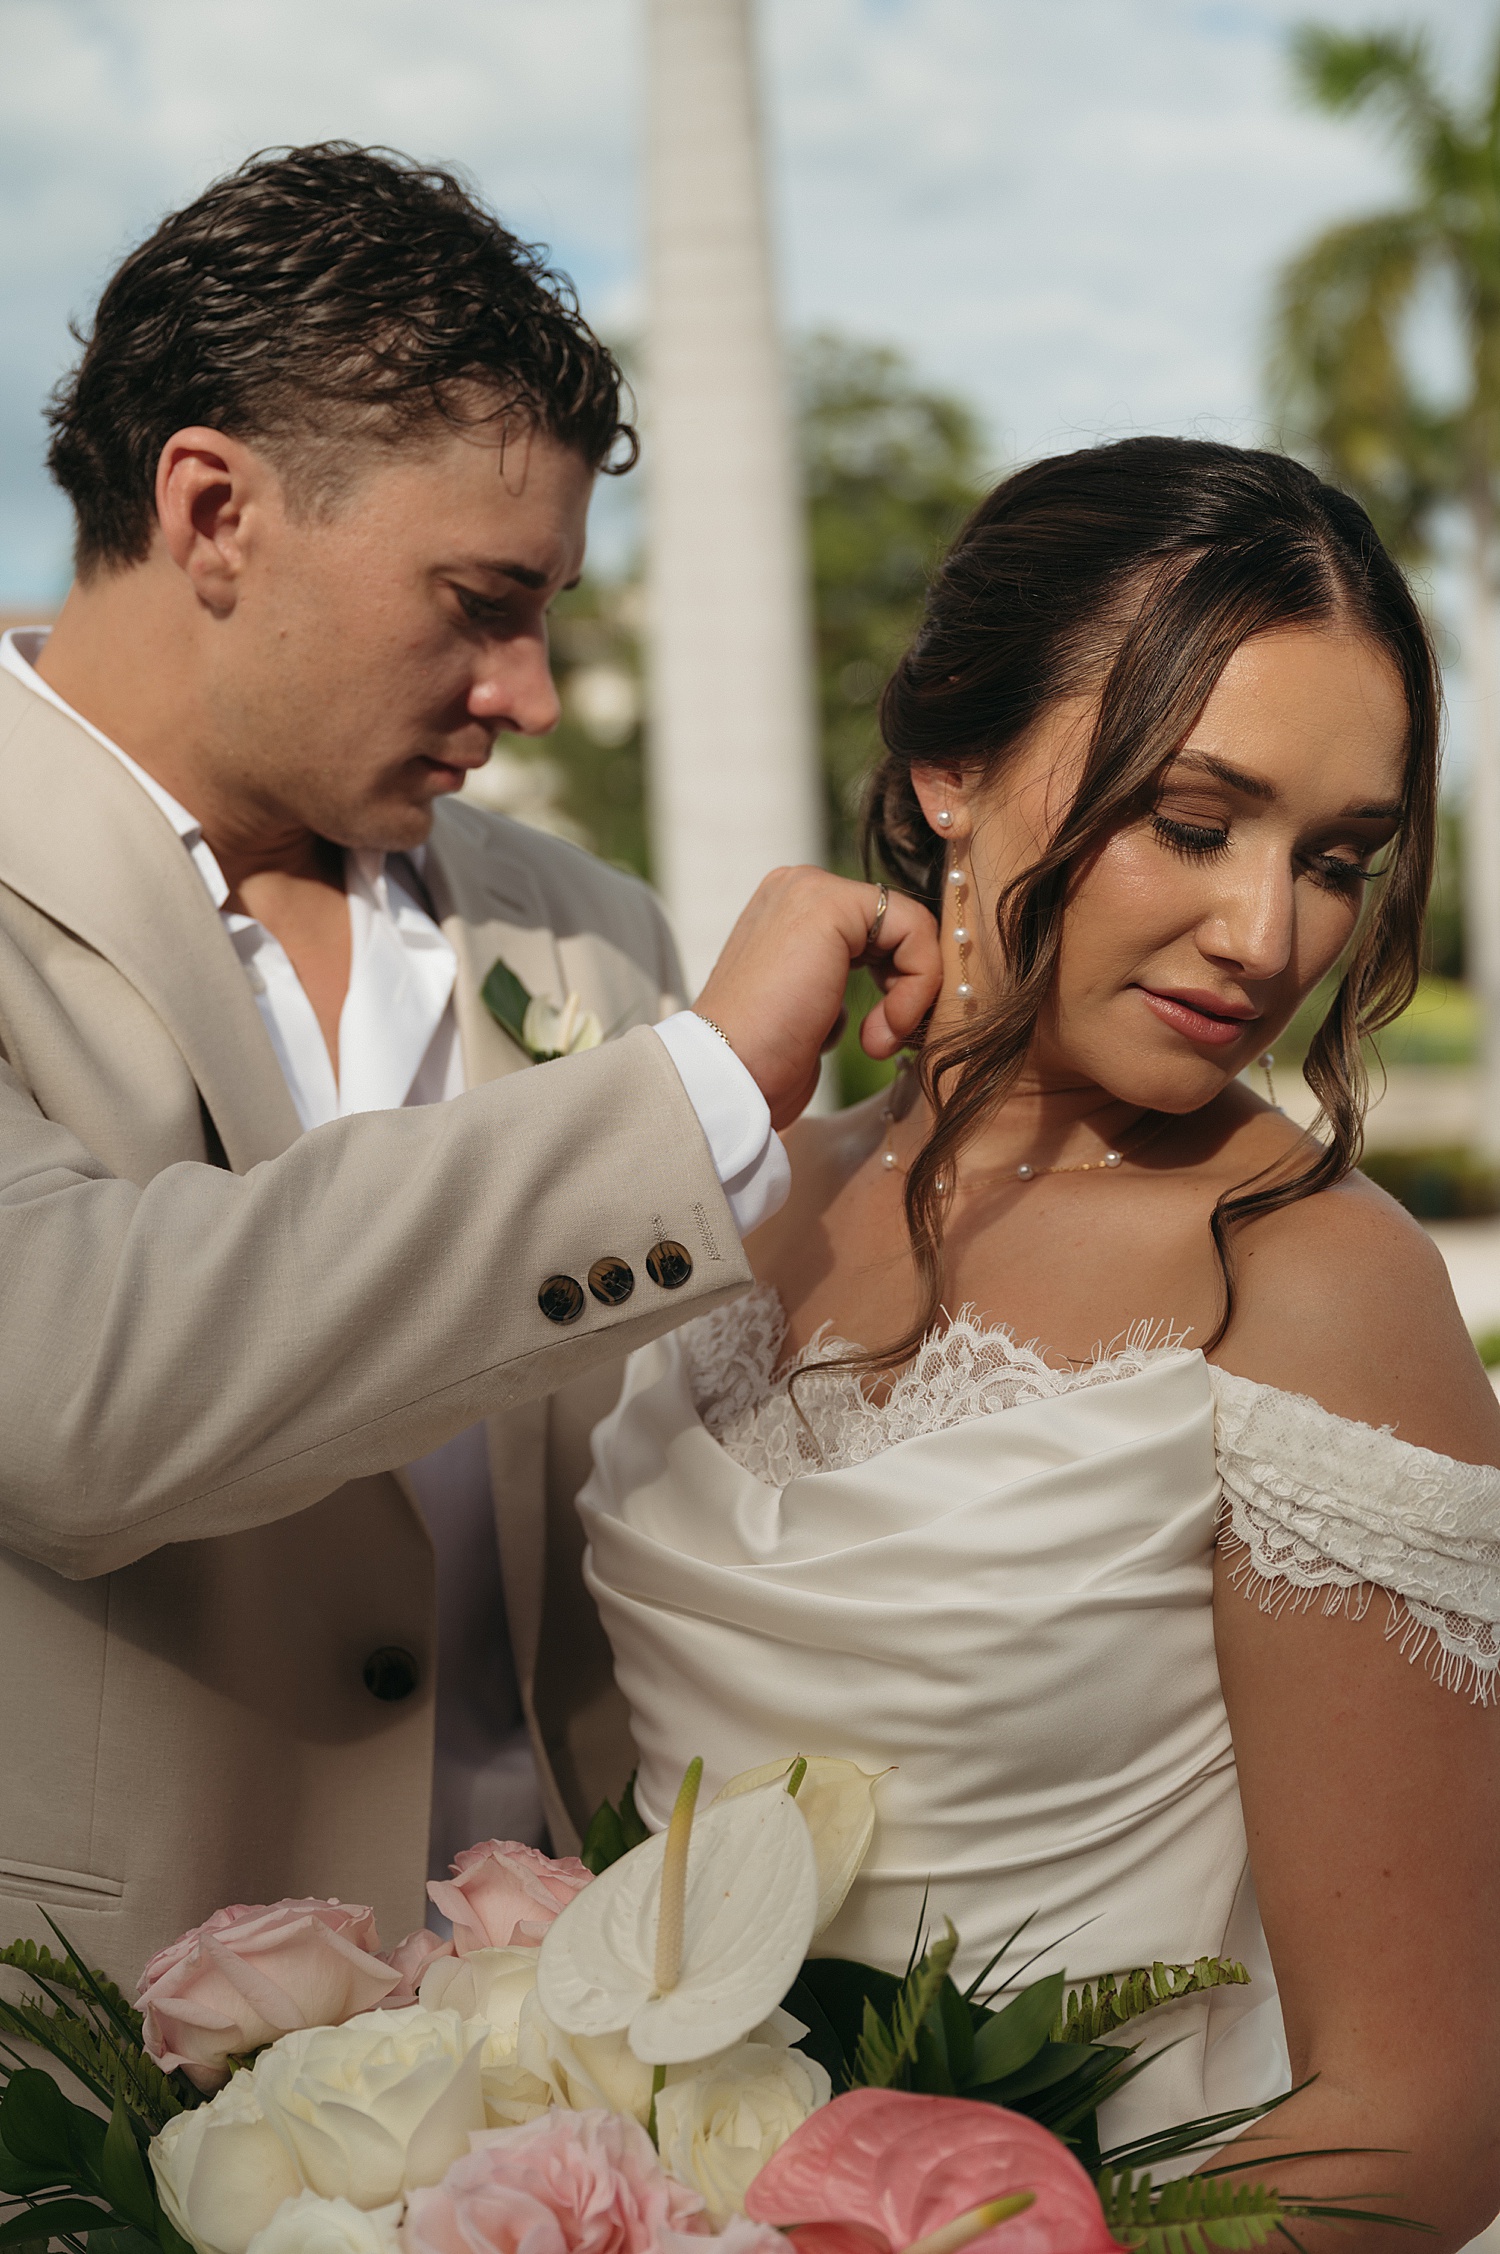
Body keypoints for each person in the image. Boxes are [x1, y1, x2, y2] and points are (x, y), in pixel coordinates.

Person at [0, 144, 938, 1988]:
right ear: (212, 512)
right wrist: (686, 1098)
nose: (532, 692)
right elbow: (76, 1391)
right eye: (481, 599)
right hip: (83, 2071)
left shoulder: (593, 927)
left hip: (583, 2054)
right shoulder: (671, 1053)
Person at [577, 438, 1500, 2250]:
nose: (1267, 934)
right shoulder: (720, 1195)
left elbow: (1427, 2111)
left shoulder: (1314, 1279)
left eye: (1336, 857)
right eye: (1190, 820)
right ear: (950, 769)